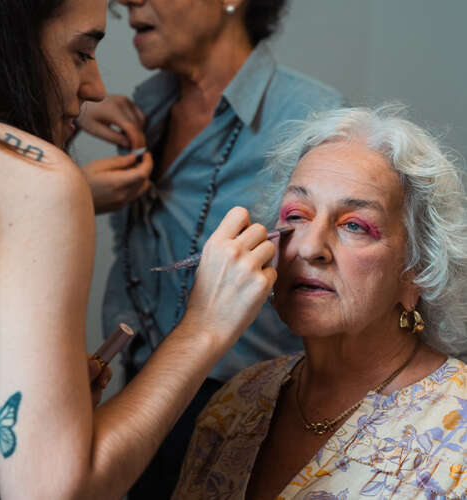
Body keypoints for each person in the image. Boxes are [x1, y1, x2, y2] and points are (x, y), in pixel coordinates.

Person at [0, 0, 277, 497]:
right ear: (8, 41)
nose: (97, 89)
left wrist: (19, 417)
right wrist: (204, 326)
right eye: (80, 53)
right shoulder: (33, 178)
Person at [76, 1, 343, 494]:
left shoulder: (315, 119)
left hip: (253, 416)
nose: (128, 3)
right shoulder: (141, 109)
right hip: (139, 397)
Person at [172, 105, 467, 499]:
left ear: (418, 269)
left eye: (354, 226)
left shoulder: (457, 436)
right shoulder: (235, 403)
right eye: (297, 216)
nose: (309, 248)